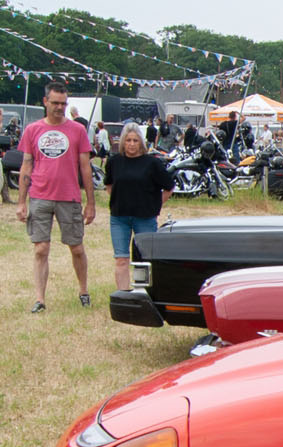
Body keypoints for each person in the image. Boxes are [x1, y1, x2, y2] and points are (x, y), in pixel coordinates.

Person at [16, 82, 96, 312]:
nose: (60, 107)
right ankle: (40, 299)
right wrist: (21, 202)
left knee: (77, 247)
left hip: (69, 197)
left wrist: (90, 203)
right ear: (45, 102)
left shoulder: (77, 130)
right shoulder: (33, 130)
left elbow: (85, 167)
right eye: (55, 103)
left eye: (63, 103)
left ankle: (83, 290)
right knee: (41, 248)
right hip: (40, 196)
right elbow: (26, 165)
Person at [103, 123, 174, 291]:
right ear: (122, 142)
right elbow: (109, 186)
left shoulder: (152, 163)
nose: (132, 144)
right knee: (121, 259)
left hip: (145, 218)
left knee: (144, 260)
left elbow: (169, 187)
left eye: (135, 140)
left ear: (141, 142)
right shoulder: (114, 162)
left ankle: (144, 293)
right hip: (119, 218)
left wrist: (154, 204)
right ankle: (123, 294)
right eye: (128, 140)